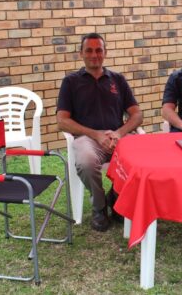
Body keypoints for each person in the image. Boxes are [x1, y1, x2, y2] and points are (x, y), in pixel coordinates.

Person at [57, 33, 143, 232]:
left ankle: (117, 197)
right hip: (88, 138)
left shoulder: (118, 80)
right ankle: (100, 207)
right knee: (86, 162)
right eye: (89, 50)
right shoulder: (71, 82)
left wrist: (120, 133)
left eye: (99, 50)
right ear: (81, 54)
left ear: (105, 53)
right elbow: (62, 121)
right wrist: (96, 134)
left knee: (140, 157)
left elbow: (137, 115)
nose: (94, 55)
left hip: (117, 137)